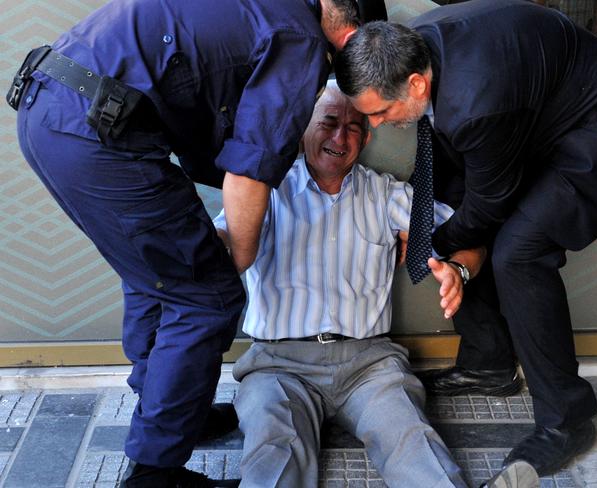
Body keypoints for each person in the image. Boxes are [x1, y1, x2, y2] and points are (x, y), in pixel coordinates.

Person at [8, 0, 365, 486]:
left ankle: (168, 407)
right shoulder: (300, 36)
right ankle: (155, 471)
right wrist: (234, 261)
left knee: (154, 273)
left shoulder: (262, 9)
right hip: (93, 132)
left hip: (50, 110)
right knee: (204, 296)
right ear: (349, 32)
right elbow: (248, 171)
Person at [334, 0, 597, 479]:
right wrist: (439, 241)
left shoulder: (475, 106)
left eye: (379, 112)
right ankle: (489, 363)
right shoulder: (410, 47)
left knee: (518, 252)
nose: (375, 126)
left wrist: (432, 245)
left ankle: (568, 420)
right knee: (449, 206)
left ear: (416, 83)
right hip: (535, 111)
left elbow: (488, 205)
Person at [214, 82, 539, 488]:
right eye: (329, 122)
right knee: (274, 444)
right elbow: (219, 245)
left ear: (366, 138)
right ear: (302, 130)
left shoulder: (385, 194)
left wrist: (459, 269)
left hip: (369, 363)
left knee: (407, 434)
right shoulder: (268, 193)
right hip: (278, 366)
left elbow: (469, 236)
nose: (340, 136)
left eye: (354, 127)